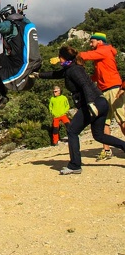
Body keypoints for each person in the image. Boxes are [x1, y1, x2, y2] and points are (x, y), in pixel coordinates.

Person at [33, 46, 125, 175]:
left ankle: (75, 165)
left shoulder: (74, 70)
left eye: (60, 56)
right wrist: (38, 75)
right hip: (100, 102)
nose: (58, 59)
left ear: (64, 57)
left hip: (93, 103)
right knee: (99, 135)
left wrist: (90, 103)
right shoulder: (70, 69)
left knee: (72, 130)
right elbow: (55, 74)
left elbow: (85, 85)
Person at [0, 1, 41, 108]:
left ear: (6, 16)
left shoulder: (10, 24)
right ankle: (2, 96)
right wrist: (21, 13)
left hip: (14, 59)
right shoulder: (25, 22)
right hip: (22, 58)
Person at [78, 32, 124, 161]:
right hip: (103, 90)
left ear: (99, 41)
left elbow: (85, 55)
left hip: (114, 88)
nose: (90, 43)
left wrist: (71, 56)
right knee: (104, 121)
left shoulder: (104, 50)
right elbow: (97, 76)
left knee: (122, 120)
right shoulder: (100, 54)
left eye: (92, 41)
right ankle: (107, 150)